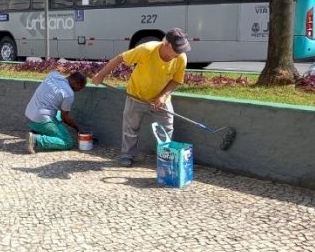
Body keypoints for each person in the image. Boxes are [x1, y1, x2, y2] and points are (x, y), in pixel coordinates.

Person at [91, 28, 191, 167]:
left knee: (166, 129)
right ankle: (127, 155)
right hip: (136, 95)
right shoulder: (146, 49)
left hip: (161, 99)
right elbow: (121, 57)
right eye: (177, 49)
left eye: (182, 49)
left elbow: (176, 80)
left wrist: (163, 96)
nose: (180, 52)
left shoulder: (181, 58)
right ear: (166, 44)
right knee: (130, 128)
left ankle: (165, 158)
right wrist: (101, 75)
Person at [25, 71, 87, 154]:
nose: (79, 90)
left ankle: (36, 131)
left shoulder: (53, 75)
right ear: (77, 83)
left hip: (28, 116)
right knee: (67, 142)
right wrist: (78, 129)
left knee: (57, 113)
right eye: (80, 87)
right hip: (41, 119)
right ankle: (36, 139)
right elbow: (64, 118)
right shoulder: (68, 93)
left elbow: (59, 69)